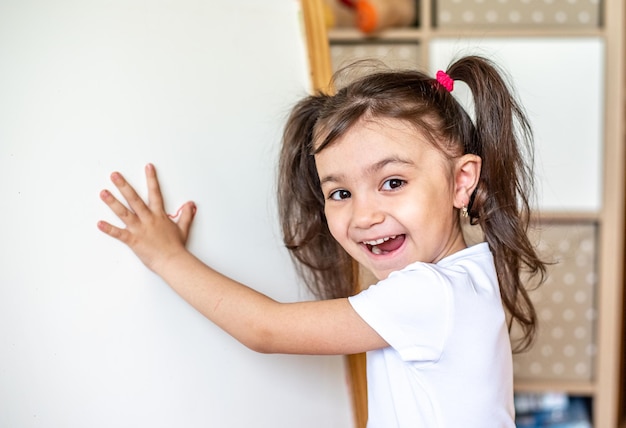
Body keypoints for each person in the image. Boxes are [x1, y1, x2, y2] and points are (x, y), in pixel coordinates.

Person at [98, 55, 546, 427]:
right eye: (341, 193)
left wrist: (167, 256)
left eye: (392, 182)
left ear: (461, 180)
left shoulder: (428, 292)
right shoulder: (472, 272)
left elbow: (264, 328)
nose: (365, 215)